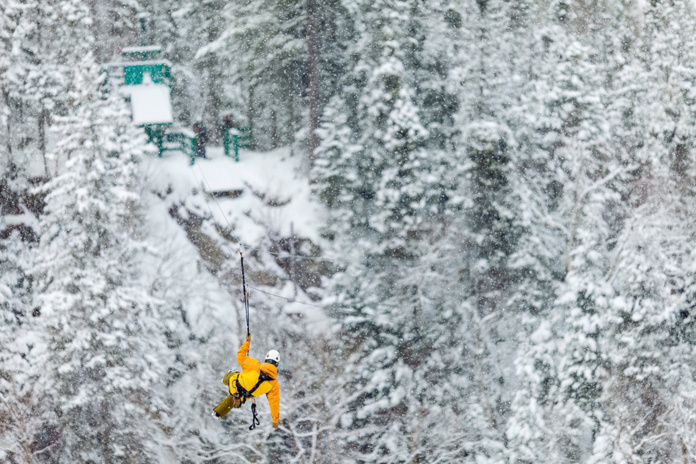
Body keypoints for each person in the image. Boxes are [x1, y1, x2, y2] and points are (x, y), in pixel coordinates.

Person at [213, 334, 280, 428]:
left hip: (234, 384)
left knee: (233, 375)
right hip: (242, 397)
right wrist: (275, 420)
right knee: (234, 397)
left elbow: (240, 356)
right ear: (276, 364)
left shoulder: (254, 365)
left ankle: (224, 380)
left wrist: (247, 342)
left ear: (266, 359)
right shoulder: (274, 384)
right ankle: (218, 413)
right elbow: (274, 403)